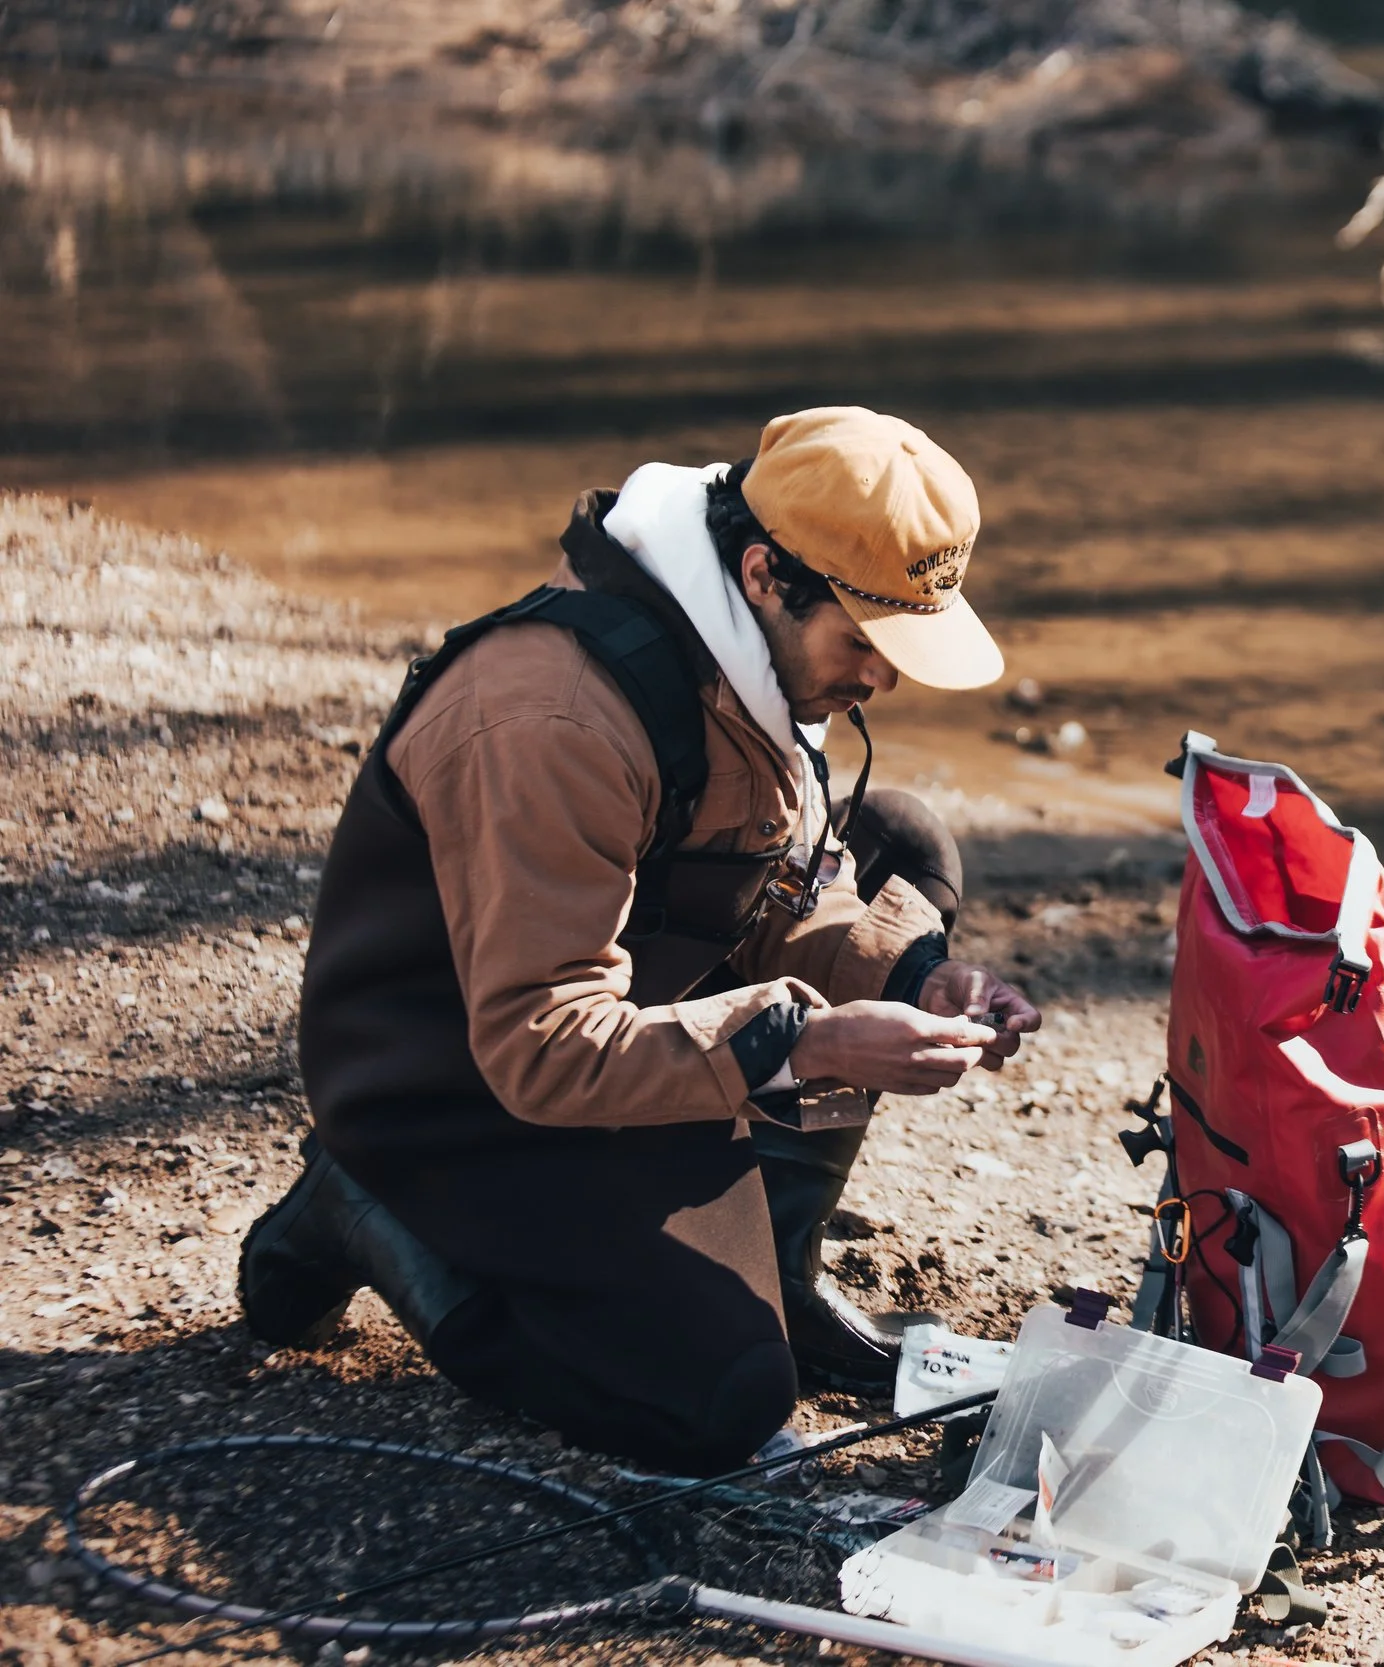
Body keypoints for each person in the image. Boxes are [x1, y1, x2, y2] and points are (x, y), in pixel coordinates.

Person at [236, 407, 1042, 1477]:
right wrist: (812, 1042)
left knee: (898, 842)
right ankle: (366, 1202)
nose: (881, 679)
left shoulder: (740, 646)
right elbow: (542, 1044)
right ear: (765, 572)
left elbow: (772, 888)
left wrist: (917, 974)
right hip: (456, 1088)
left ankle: (776, 1268)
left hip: (617, 1024)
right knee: (715, 1399)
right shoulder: (553, 717)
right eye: (864, 641)